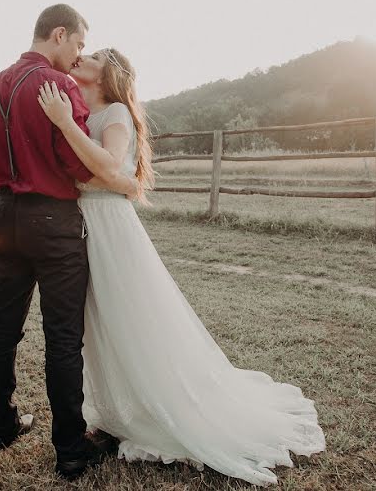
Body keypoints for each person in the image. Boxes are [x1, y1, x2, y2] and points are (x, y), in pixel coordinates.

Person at [37, 48, 327, 486]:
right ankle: (118, 411)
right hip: (82, 226)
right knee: (100, 325)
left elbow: (113, 172)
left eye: (92, 54)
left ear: (109, 72)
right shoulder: (79, 112)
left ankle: (161, 409)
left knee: (131, 320)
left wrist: (64, 129)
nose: (80, 57)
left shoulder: (113, 111)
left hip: (110, 227)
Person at [0, 4, 136, 481]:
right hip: (52, 219)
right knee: (63, 336)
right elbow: (77, 165)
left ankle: (3, 426)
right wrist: (121, 179)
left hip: (4, 214)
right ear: (60, 34)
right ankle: (70, 448)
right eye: (79, 45)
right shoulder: (57, 86)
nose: (78, 55)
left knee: (3, 326)